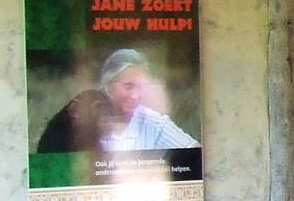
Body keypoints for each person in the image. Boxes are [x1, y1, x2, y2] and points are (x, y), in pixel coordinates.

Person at [39, 48, 199, 153]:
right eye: (128, 86)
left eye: (141, 86)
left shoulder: (153, 122)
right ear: (108, 85)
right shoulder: (80, 121)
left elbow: (197, 157)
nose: (136, 96)